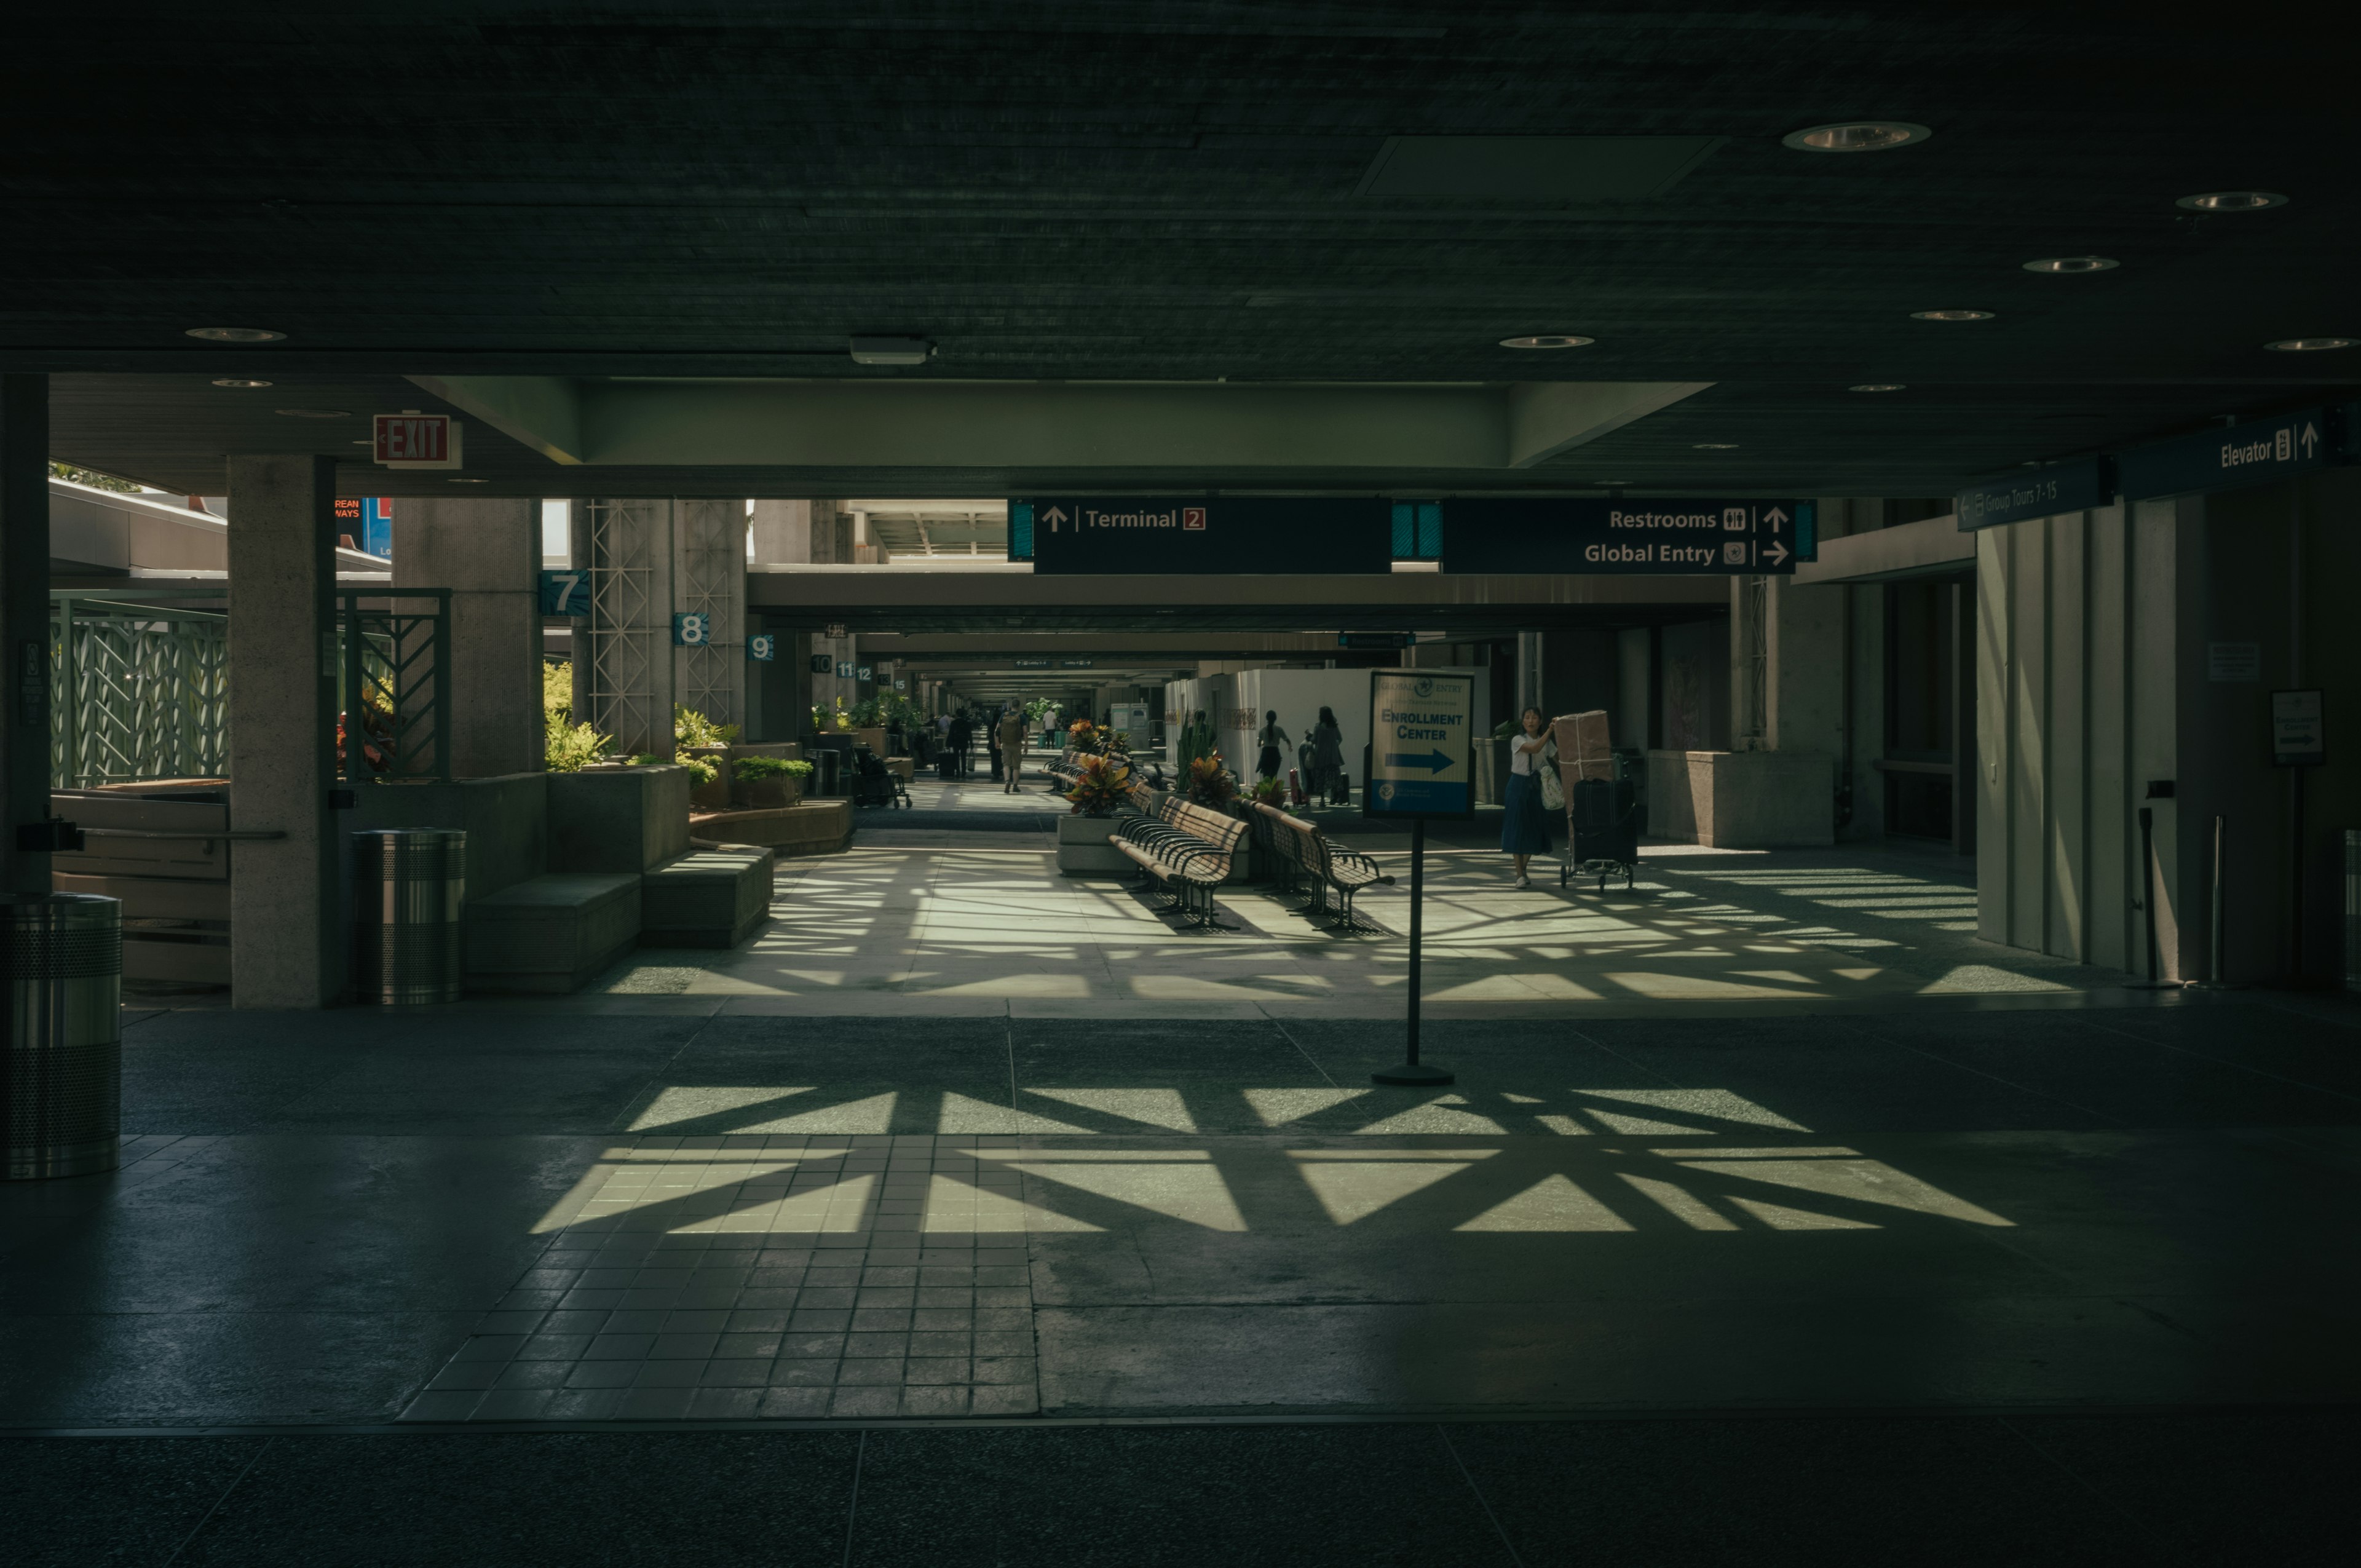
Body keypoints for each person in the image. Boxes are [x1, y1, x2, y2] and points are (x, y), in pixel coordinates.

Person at [1501, 706, 1554, 888]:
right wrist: (1550, 731)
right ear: (1523, 722)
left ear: (1540, 721)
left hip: (1536, 785)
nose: (1530, 721)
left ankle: (1523, 870)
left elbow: (1560, 756)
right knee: (1517, 827)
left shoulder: (1547, 741)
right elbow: (1534, 748)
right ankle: (1519, 875)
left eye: (1534, 717)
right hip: (1518, 784)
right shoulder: (1518, 740)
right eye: (1527, 717)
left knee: (1534, 826)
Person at [1306, 705, 1344, 804]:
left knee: (1321, 779)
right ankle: (1335, 797)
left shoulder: (1318, 727)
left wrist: (1309, 736)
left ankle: (1322, 800)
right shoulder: (1334, 727)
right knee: (1334, 778)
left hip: (1321, 757)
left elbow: (1314, 741)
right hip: (1333, 757)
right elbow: (1340, 739)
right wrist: (1334, 746)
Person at [997, 704, 1028, 793]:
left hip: (1006, 743)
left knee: (1006, 764)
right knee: (1016, 766)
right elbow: (1025, 732)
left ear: (1011, 706)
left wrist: (997, 742)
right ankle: (1015, 786)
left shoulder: (1004, 715)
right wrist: (1026, 745)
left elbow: (997, 730)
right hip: (1017, 743)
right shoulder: (1021, 717)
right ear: (1018, 707)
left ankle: (1007, 781)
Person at [1255, 710, 1291, 780]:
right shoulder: (1279, 729)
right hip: (1275, 753)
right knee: (1274, 776)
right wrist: (1290, 747)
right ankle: (1274, 790)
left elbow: (1259, 745)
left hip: (1266, 754)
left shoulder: (1262, 730)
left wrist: (1263, 742)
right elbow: (1287, 740)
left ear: (1267, 718)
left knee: (1266, 776)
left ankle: (1267, 790)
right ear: (1275, 719)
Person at [949, 709, 973, 777]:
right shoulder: (967, 723)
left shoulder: (954, 723)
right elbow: (969, 734)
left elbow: (951, 733)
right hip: (964, 742)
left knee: (956, 757)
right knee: (963, 757)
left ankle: (958, 772)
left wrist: (949, 743)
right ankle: (964, 772)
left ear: (957, 714)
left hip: (956, 742)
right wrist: (971, 743)